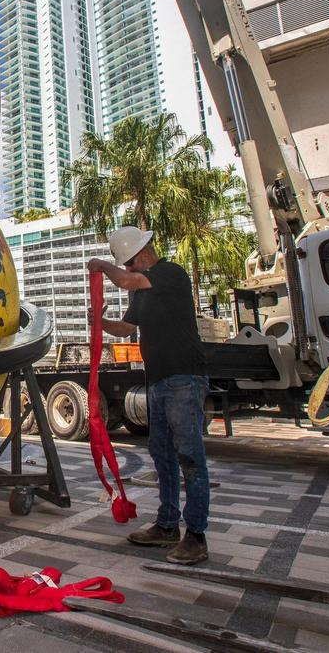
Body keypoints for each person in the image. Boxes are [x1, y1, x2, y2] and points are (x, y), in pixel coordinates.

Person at [87, 226, 210, 565]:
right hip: (158, 382)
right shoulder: (141, 291)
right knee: (163, 456)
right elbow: (127, 328)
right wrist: (100, 320)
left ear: (141, 256)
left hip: (185, 378)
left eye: (127, 264)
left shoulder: (170, 273)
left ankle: (196, 536)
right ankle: (168, 525)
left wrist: (101, 265)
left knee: (189, 458)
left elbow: (126, 281)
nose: (126, 270)